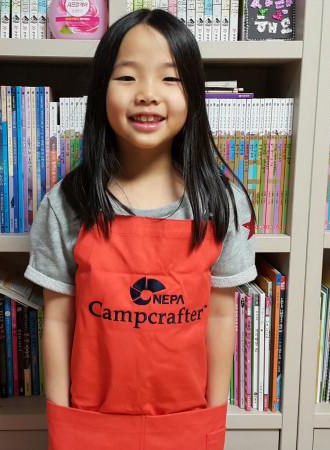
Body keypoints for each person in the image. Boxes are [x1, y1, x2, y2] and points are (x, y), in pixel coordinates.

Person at [24, 8, 256, 450]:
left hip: (187, 423)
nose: (148, 94)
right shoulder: (67, 203)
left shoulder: (222, 203)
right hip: (89, 425)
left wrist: (214, 416)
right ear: (101, 90)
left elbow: (221, 315)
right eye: (127, 77)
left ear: (193, 94)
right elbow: (56, 319)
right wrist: (61, 421)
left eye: (170, 79)